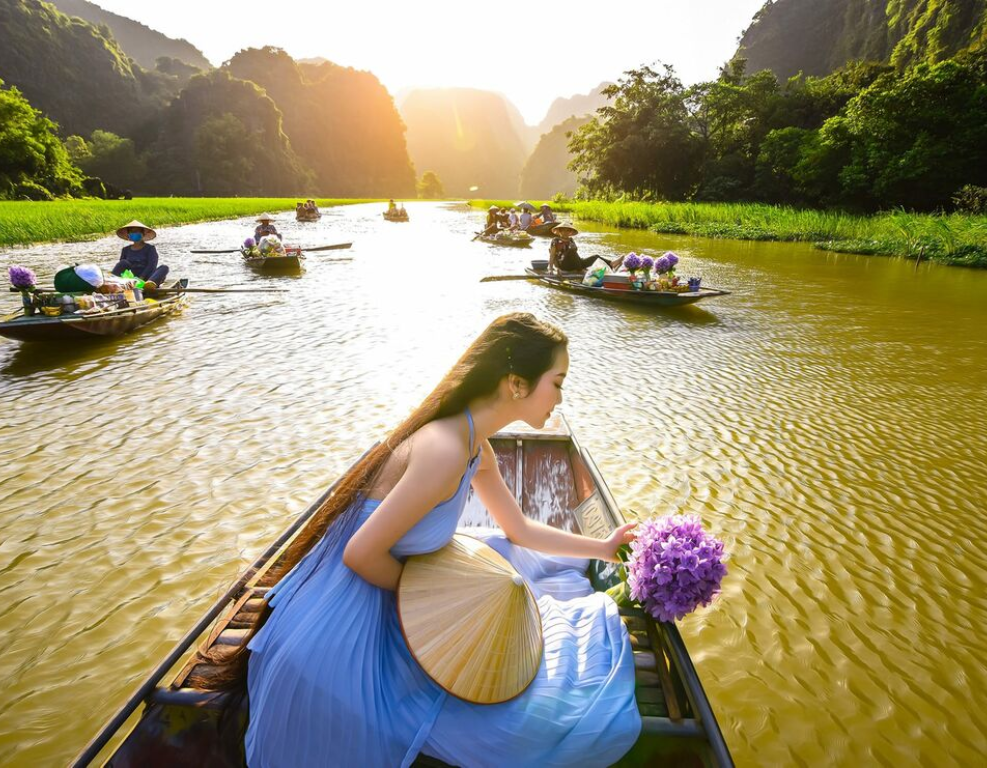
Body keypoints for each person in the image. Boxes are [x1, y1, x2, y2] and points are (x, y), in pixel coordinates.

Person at [235, 313, 641, 767]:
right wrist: (440, 606)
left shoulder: (474, 445)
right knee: (532, 727)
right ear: (517, 384)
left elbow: (519, 530)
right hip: (353, 617)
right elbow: (359, 554)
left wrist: (603, 548)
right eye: (558, 381)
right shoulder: (446, 448)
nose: (561, 397)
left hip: (391, 598)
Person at [111, 220, 169, 290]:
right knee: (123, 262)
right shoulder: (125, 250)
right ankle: (111, 282)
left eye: (137, 231)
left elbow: (152, 265)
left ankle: (149, 284)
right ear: (129, 234)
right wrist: (132, 279)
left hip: (147, 278)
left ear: (143, 234)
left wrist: (141, 277)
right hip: (131, 278)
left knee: (164, 268)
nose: (134, 233)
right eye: (132, 232)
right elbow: (122, 266)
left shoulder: (150, 249)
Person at [547, 224, 624, 274]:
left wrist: (580, 259)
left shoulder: (571, 240)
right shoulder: (555, 240)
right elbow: (552, 255)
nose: (565, 232)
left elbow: (575, 254)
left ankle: (611, 264)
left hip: (575, 263)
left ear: (570, 232)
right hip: (563, 265)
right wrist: (551, 269)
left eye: (567, 230)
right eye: (563, 230)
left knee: (595, 257)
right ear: (560, 231)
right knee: (571, 252)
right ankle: (580, 270)